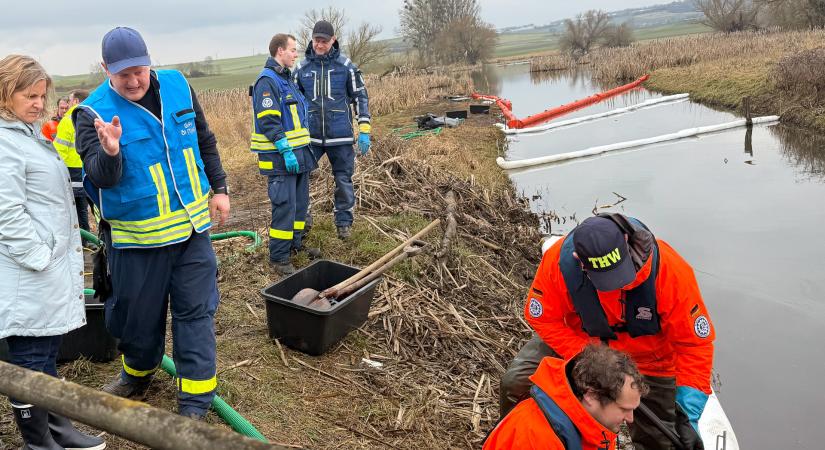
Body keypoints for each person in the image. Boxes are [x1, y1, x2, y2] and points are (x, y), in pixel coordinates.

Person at [73, 27, 230, 420]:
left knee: (195, 313)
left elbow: (204, 140)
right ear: (105, 68)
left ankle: (194, 403)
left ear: (149, 61)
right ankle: (138, 374)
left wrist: (221, 188)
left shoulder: (178, 85)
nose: (133, 81)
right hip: (137, 243)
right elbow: (98, 177)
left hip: (193, 233)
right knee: (137, 320)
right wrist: (110, 151)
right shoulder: (90, 113)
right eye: (123, 73)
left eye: (139, 70)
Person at [500, 214, 714, 450]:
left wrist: (687, 415)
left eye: (619, 274)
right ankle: (520, 439)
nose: (617, 286)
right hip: (581, 344)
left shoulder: (670, 271)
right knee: (515, 383)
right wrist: (590, 359)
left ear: (625, 240)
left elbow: (695, 345)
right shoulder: (559, 263)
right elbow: (542, 318)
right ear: (579, 260)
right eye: (606, 279)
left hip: (651, 360)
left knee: (665, 439)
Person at [0, 54, 106, 450]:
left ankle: (59, 431)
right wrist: (41, 257)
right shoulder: (4, 143)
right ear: (4, 93)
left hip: (45, 270)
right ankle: (39, 443)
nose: (39, 104)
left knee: (45, 353)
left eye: (42, 96)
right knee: (29, 359)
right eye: (29, 96)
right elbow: (6, 213)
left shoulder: (28, 134)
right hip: (27, 271)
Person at [294, 20, 371, 241]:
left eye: (324, 41)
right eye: (316, 40)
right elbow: (292, 103)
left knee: (343, 180)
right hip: (310, 137)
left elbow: (360, 97)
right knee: (301, 179)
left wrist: (364, 129)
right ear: (312, 39)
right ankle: (303, 221)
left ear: (333, 40)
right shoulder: (301, 69)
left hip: (342, 136)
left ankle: (344, 224)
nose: (319, 45)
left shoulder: (346, 67)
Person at [485, 345, 648, 450]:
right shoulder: (535, 438)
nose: (631, 418)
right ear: (591, 395)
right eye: (624, 409)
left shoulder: (594, 421)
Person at [251, 34, 320, 275]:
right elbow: (269, 121)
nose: (296, 54)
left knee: (300, 206)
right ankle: (279, 257)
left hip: (299, 158)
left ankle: (295, 246)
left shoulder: (287, 79)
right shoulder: (266, 82)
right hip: (282, 159)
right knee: (284, 207)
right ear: (280, 51)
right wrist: (285, 150)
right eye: (292, 50)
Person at [53, 89, 92, 242]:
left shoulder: (68, 119)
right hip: (87, 167)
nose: (68, 104)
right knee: (86, 207)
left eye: (69, 101)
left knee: (73, 209)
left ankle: (80, 241)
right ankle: (89, 239)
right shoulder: (91, 115)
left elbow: (59, 150)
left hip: (70, 171)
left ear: (75, 101)